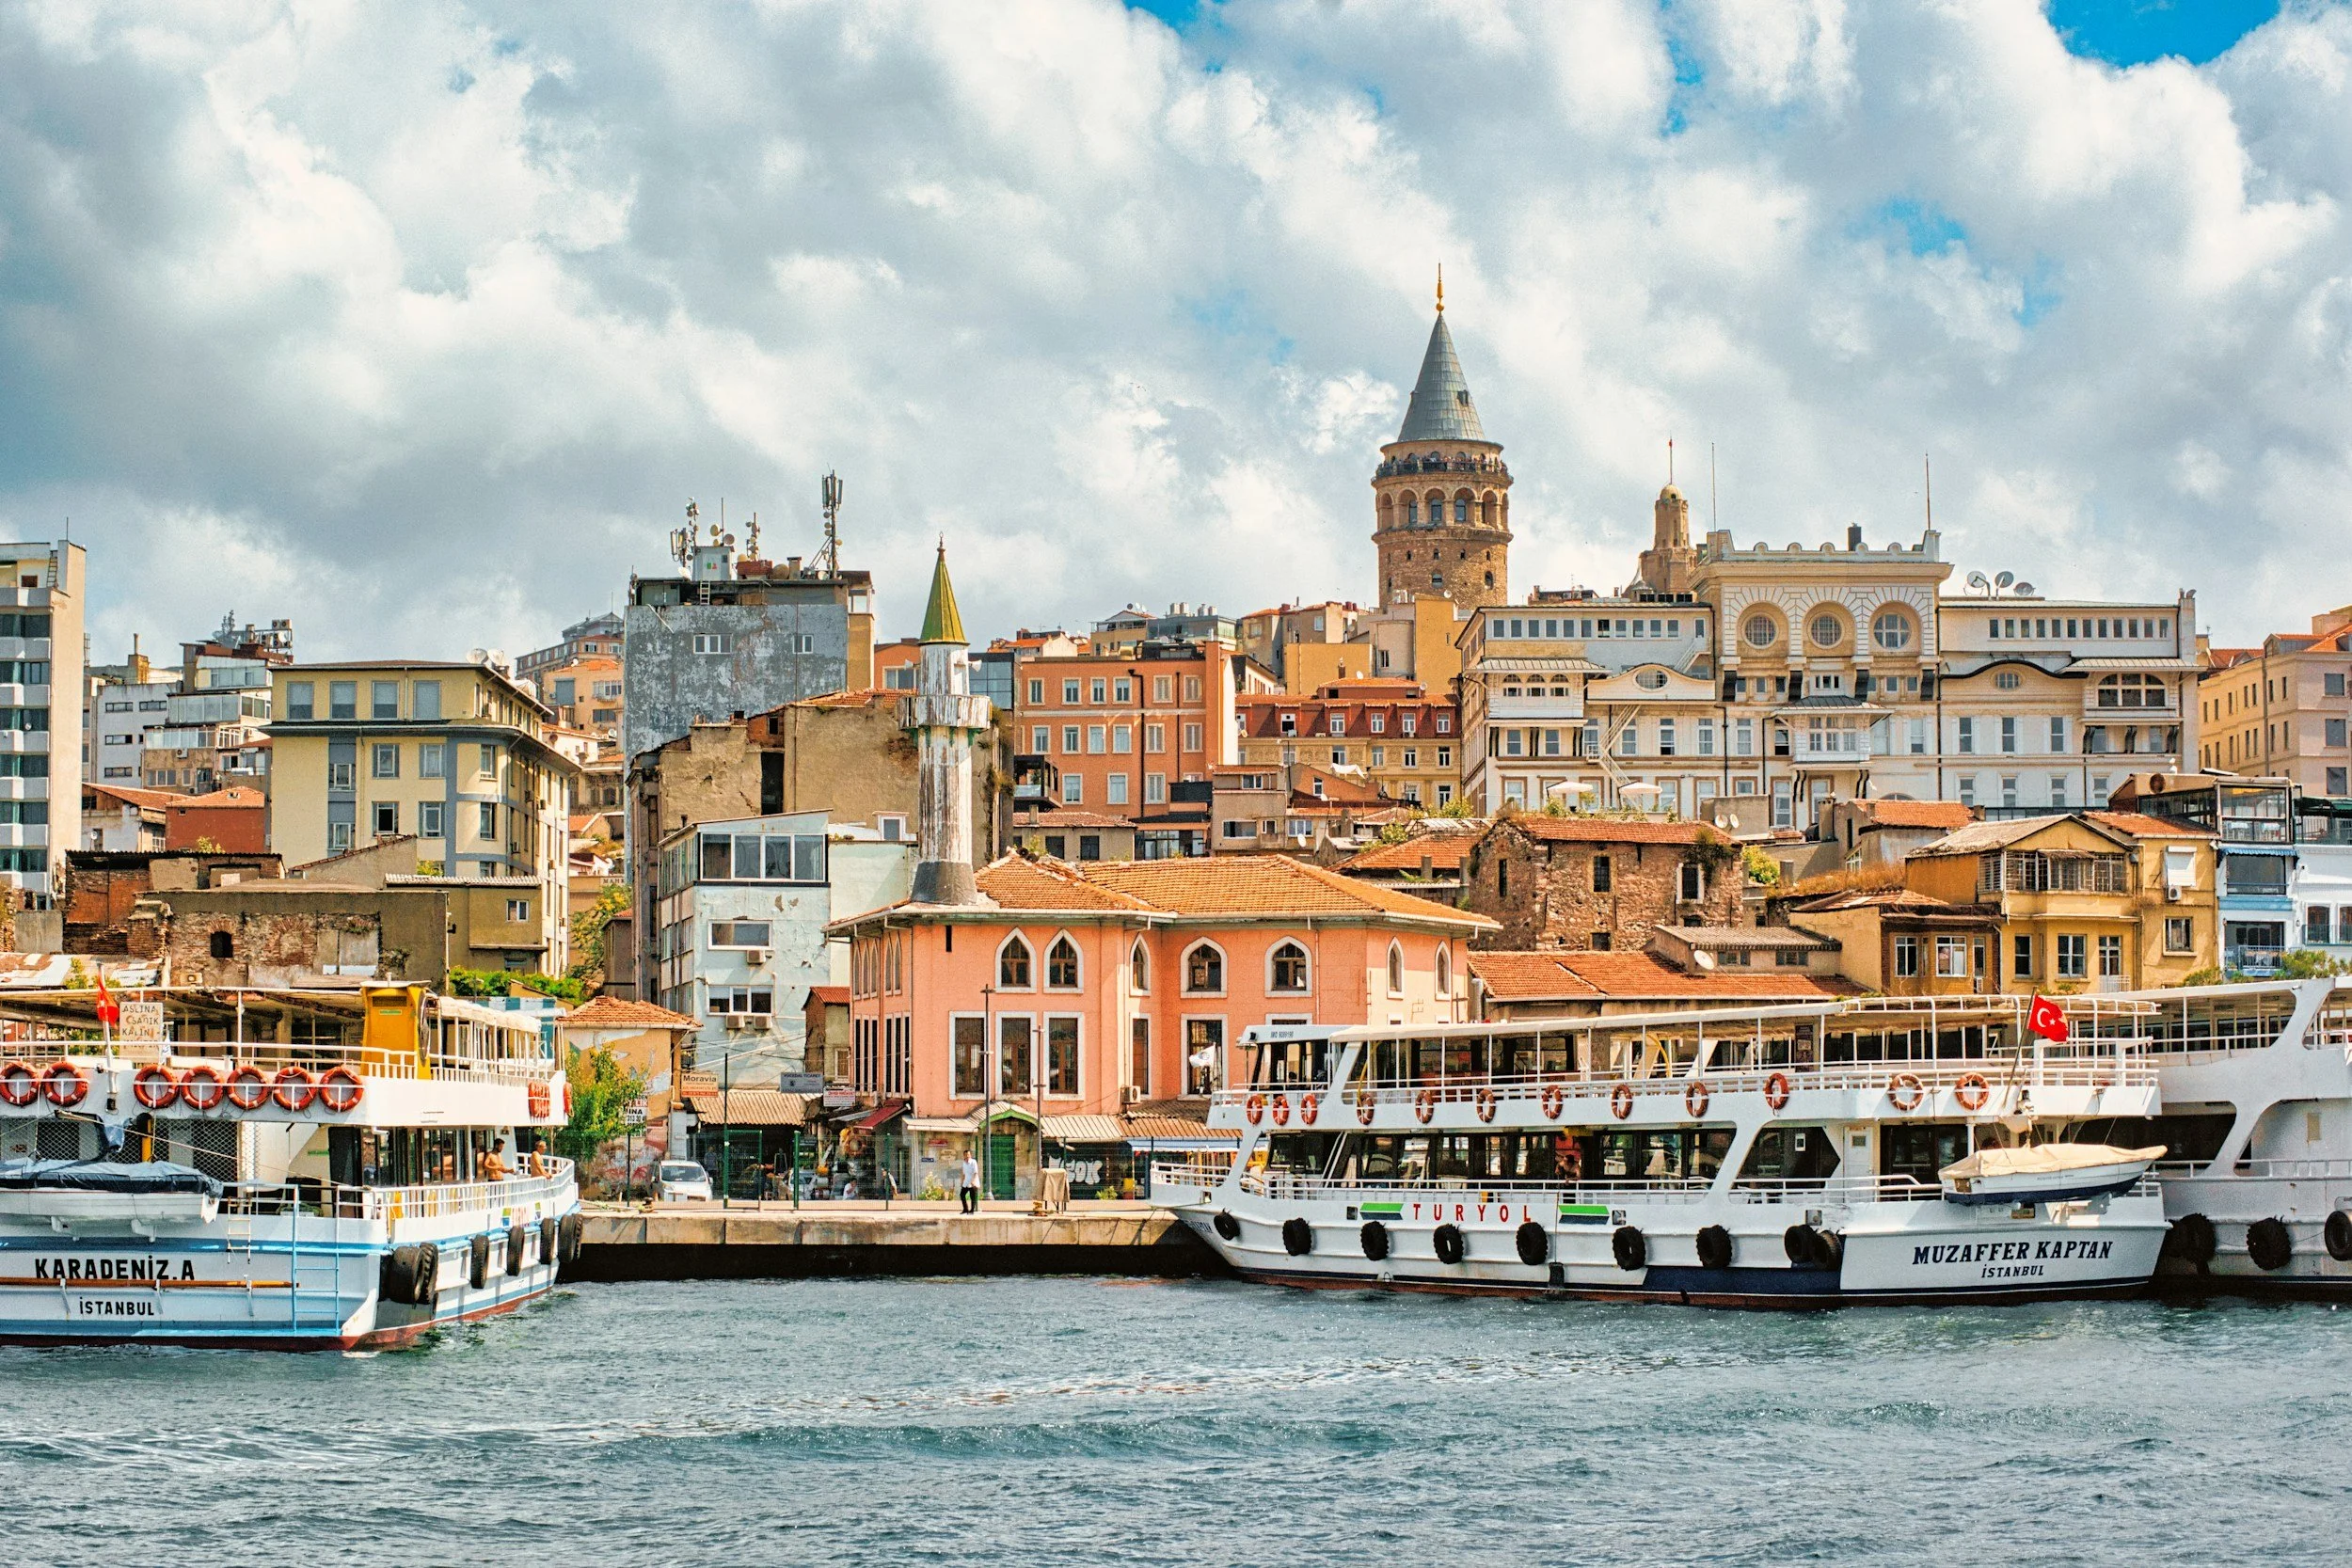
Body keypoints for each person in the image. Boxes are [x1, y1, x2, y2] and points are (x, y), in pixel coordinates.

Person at [959, 1150, 981, 1214]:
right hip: (966, 1181)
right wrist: (962, 1181)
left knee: (972, 1196)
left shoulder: (973, 1162)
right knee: (962, 1195)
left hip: (972, 1182)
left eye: (968, 1154)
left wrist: (973, 1181)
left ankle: (972, 1210)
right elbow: (963, 1173)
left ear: (970, 1155)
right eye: (966, 1155)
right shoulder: (964, 1163)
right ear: (964, 1156)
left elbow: (975, 1172)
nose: (967, 1156)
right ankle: (965, 1209)